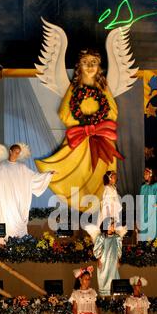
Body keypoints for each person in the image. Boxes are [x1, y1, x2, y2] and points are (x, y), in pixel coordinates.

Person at [36, 49, 124, 210]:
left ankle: (103, 208)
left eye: (94, 62)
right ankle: (79, 200)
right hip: (80, 137)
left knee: (102, 172)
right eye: (85, 62)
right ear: (79, 66)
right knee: (71, 171)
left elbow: (113, 111)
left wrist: (96, 125)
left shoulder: (103, 87)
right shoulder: (75, 87)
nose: (90, 66)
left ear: (99, 67)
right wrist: (84, 125)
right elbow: (64, 113)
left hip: (101, 138)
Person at [0, 144, 54, 242]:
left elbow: (33, 177)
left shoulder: (22, 167)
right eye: (16, 152)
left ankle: (20, 243)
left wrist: (47, 175)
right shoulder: (3, 166)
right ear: (10, 151)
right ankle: (7, 242)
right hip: (8, 199)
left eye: (19, 153)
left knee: (20, 220)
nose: (17, 154)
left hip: (20, 199)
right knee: (8, 221)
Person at [90, 217, 127, 296]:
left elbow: (118, 250)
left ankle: (114, 296)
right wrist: (99, 259)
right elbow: (96, 249)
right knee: (104, 278)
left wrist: (118, 260)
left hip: (113, 262)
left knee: (113, 278)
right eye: (112, 225)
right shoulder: (101, 237)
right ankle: (104, 296)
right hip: (104, 262)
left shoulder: (117, 237)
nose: (114, 227)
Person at [138, 167, 157, 240]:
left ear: (151, 174)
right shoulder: (143, 186)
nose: (144, 175)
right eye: (144, 174)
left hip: (154, 212)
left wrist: (155, 209)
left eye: (146, 173)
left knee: (154, 230)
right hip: (145, 212)